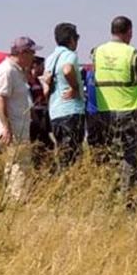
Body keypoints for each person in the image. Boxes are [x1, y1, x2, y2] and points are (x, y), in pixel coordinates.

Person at [91, 15, 137, 193]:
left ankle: (107, 191)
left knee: (109, 152)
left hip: (104, 110)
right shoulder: (133, 54)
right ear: (129, 32)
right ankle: (125, 194)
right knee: (129, 154)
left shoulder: (96, 52)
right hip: (129, 109)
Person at [0, 37, 40, 200]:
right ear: (22, 53)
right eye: (32, 52)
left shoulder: (17, 70)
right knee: (19, 169)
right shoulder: (6, 71)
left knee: (14, 168)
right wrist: (6, 127)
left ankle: (12, 200)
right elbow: (0, 99)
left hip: (19, 128)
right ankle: (18, 203)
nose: (34, 56)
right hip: (12, 131)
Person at [42, 22, 85, 168]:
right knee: (74, 153)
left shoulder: (50, 58)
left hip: (55, 112)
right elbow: (67, 70)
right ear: (72, 39)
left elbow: (46, 82)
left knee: (62, 151)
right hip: (71, 110)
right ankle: (73, 184)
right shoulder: (69, 55)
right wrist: (75, 87)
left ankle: (64, 182)